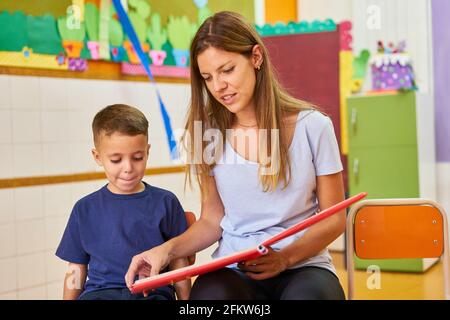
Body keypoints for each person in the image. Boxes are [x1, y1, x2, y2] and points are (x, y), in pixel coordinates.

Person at [125, 11, 346, 300]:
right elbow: (212, 220)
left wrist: (285, 258)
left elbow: (334, 218)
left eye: (227, 70)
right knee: (209, 298)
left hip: (303, 266)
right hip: (235, 267)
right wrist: (164, 251)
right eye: (208, 77)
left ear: (256, 57)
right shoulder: (207, 135)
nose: (218, 86)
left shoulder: (313, 126)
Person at [56, 104, 191, 300]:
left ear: (147, 151)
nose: (128, 168)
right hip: (99, 295)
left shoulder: (165, 202)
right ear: (97, 157)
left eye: (137, 157)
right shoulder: (84, 209)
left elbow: (179, 259)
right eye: (116, 160)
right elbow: (76, 268)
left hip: (151, 293)